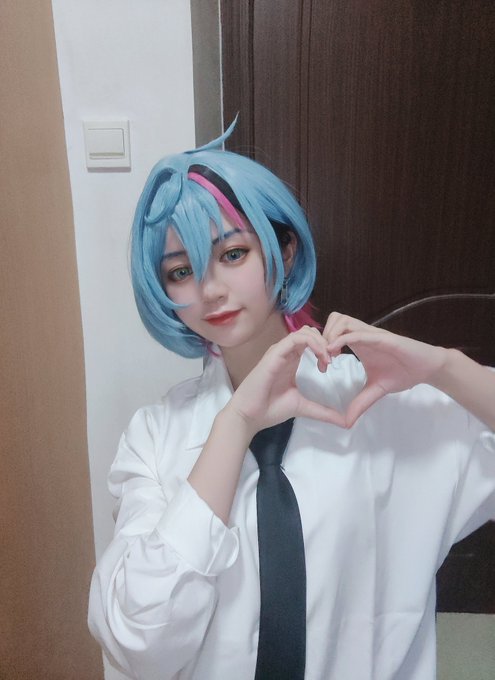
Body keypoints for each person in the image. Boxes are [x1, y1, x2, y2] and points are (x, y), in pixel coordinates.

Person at [88, 123, 495, 680]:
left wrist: (445, 367)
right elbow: (138, 641)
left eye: (233, 254)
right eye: (181, 271)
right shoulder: (155, 436)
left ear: (284, 249)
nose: (209, 289)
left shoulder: (375, 403)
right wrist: (235, 425)